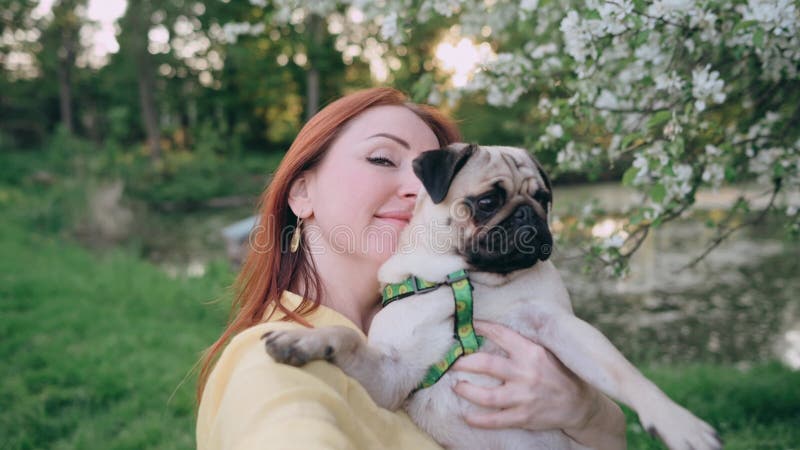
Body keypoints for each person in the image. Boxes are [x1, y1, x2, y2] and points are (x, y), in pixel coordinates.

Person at [196, 87, 627, 450]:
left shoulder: (435, 325)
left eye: (432, 176)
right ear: (302, 192)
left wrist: (586, 411)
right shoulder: (276, 359)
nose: (420, 192)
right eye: (383, 159)